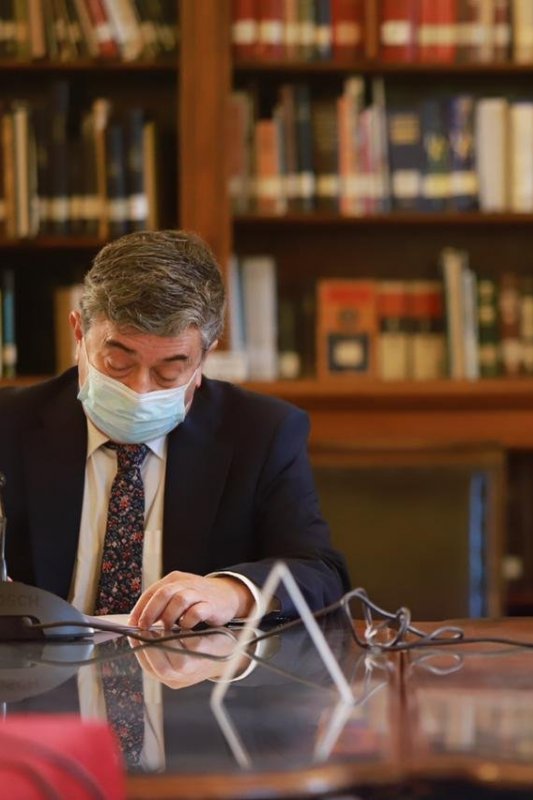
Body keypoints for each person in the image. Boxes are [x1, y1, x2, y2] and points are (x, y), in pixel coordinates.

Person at [0, 230, 349, 630]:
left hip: (193, 683)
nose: (139, 390)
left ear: (204, 356)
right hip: (38, 682)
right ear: (78, 333)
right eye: (118, 363)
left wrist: (231, 592)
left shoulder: (261, 433)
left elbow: (321, 572)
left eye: (169, 370)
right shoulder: (9, 425)